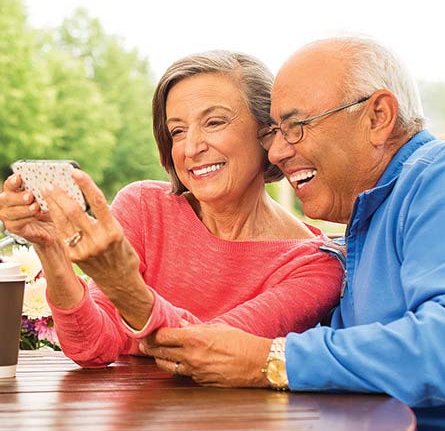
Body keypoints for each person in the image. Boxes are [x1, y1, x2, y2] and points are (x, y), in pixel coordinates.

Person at [141, 38, 445, 431]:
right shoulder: (362, 229)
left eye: (294, 126)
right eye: (274, 130)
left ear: (378, 116)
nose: (276, 149)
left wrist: (271, 360)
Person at [0, 50, 342, 368]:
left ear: (267, 132)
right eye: (177, 131)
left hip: (241, 428)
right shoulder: (144, 208)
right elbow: (92, 347)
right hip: (141, 426)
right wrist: (50, 247)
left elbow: (202, 351)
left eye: (214, 122)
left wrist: (122, 285)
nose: (191, 148)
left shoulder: (315, 263)